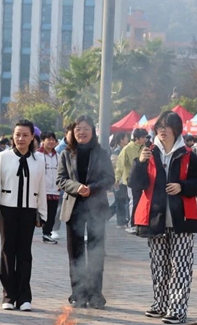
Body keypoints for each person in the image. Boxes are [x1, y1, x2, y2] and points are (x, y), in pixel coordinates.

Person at [129, 111, 197, 324]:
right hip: (155, 216)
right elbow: (136, 184)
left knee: (180, 264)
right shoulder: (148, 152)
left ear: (176, 129)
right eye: (160, 126)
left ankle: (177, 308)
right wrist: (140, 163)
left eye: (167, 126)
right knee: (159, 264)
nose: (162, 130)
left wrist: (182, 186)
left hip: (180, 217)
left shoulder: (188, 154)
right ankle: (160, 304)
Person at [0, 120, 48, 311]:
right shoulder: (3, 157)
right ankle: (8, 295)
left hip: (28, 210)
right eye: (17, 134)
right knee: (7, 251)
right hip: (7, 209)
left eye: (25, 135)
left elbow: (42, 188)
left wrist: (42, 214)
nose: (20, 138)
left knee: (24, 253)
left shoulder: (39, 160)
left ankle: (24, 297)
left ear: (32, 137)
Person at [57, 115, 115, 309]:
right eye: (78, 129)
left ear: (93, 131)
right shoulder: (66, 154)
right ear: (73, 132)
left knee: (96, 252)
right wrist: (76, 187)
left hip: (96, 209)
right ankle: (78, 293)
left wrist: (92, 188)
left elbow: (109, 178)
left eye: (85, 128)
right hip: (73, 210)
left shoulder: (101, 153)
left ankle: (95, 294)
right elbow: (61, 180)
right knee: (75, 253)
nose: (81, 132)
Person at [117, 128, 149, 233]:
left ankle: (140, 222)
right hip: (131, 180)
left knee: (142, 202)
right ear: (136, 138)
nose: (145, 139)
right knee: (133, 202)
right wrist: (117, 179)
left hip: (143, 180)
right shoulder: (127, 149)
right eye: (143, 137)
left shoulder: (145, 148)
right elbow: (120, 165)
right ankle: (132, 224)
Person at [39, 131, 61, 244]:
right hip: (41, 190)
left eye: (53, 139)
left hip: (55, 190)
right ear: (43, 140)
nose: (51, 142)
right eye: (49, 139)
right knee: (39, 213)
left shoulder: (58, 156)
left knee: (51, 214)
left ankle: (47, 234)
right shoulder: (37, 155)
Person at [108, 132, 130, 228]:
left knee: (120, 201)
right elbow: (113, 165)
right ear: (121, 140)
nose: (127, 139)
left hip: (121, 180)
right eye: (126, 137)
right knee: (120, 201)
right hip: (118, 181)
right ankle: (120, 222)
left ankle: (104, 217)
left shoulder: (123, 149)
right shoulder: (118, 151)